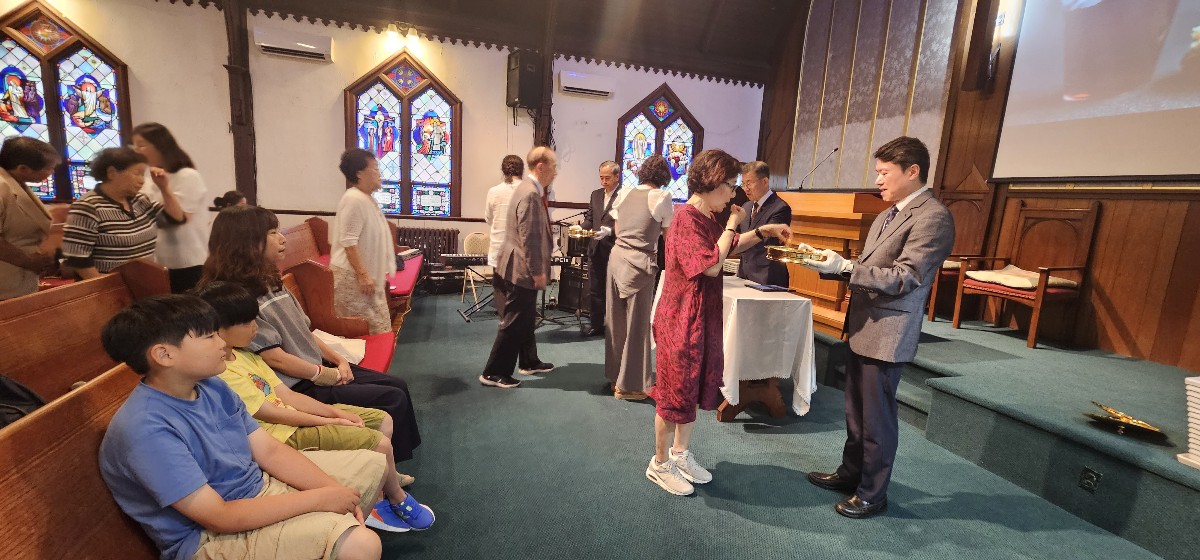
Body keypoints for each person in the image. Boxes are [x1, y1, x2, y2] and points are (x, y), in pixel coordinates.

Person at [96, 294, 419, 560]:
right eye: (209, 336)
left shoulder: (212, 386)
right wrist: (319, 499)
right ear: (164, 354)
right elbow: (219, 516)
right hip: (206, 538)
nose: (222, 343)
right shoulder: (146, 429)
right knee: (362, 545)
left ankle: (332, 530)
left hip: (256, 488)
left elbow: (270, 451)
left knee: (373, 464)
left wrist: (331, 492)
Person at [798, 136, 954, 519]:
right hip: (864, 326)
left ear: (912, 171)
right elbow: (871, 267)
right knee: (856, 413)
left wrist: (846, 267)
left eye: (885, 172)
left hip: (888, 332)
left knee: (877, 419)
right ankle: (851, 474)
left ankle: (872, 493)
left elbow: (906, 277)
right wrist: (832, 265)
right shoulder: (889, 213)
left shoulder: (932, 217)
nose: (878, 180)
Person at [198, 205, 422, 463]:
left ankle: (393, 460)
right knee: (391, 397)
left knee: (397, 385)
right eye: (272, 233)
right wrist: (326, 374)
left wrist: (339, 360)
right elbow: (276, 359)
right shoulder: (238, 300)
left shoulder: (271, 282)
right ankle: (386, 464)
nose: (282, 238)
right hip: (299, 383)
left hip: (317, 367)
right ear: (247, 242)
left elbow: (306, 331)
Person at [195, 282, 429, 515]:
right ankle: (393, 499)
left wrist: (335, 412)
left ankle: (384, 481)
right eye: (247, 322)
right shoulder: (224, 373)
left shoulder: (247, 356)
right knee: (380, 443)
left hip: (294, 417)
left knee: (384, 420)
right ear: (219, 329)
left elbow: (287, 395)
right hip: (283, 435)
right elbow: (272, 413)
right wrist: (330, 421)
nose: (256, 327)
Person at [647, 149, 792, 496]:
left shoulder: (706, 216)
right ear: (711, 183)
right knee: (674, 395)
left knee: (691, 391)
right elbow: (712, 265)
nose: (733, 193)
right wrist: (731, 224)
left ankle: (680, 455)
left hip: (701, 317)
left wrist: (763, 231)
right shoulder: (685, 219)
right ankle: (660, 463)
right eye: (729, 185)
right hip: (681, 320)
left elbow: (728, 246)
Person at [479, 146, 557, 389]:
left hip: (514, 262)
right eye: (554, 166)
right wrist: (537, 271)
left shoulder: (526, 187)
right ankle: (493, 372)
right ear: (541, 166)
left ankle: (529, 361)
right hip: (521, 266)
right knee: (514, 320)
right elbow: (529, 237)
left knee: (525, 317)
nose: (556, 171)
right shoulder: (530, 193)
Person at [605, 155, 673, 400]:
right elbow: (669, 237)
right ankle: (630, 386)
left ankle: (616, 377)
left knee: (615, 320)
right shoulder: (662, 197)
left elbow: (617, 230)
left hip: (616, 258)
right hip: (640, 264)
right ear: (663, 176)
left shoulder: (623, 193)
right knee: (637, 325)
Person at [62, 147, 185, 279]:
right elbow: (77, 258)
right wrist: (106, 287)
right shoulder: (87, 206)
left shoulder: (140, 200)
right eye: (137, 173)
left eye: (143, 174)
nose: (142, 180)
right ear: (112, 173)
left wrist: (164, 188)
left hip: (145, 281)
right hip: (111, 285)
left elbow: (176, 218)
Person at [132, 122, 211, 293]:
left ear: (159, 146)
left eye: (141, 145)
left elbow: (178, 219)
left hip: (187, 262)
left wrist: (164, 188)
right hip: (157, 261)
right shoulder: (148, 177)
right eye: (134, 146)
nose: (136, 151)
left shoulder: (187, 176)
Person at [331, 148, 395, 335]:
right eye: (375, 168)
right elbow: (349, 242)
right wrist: (363, 275)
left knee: (378, 329)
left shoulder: (366, 198)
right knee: (365, 333)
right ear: (359, 173)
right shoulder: (354, 199)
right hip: (354, 279)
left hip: (366, 277)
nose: (379, 173)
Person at [0, 137, 59, 300]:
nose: (52, 172)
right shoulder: (2, 186)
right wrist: (28, 261)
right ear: (23, 168)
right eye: (49, 168)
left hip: (19, 279)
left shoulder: (17, 183)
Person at [734, 161, 793, 287]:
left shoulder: (780, 208)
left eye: (749, 183)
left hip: (768, 278)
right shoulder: (746, 206)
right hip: (744, 275)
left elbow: (765, 240)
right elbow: (738, 237)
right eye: (743, 184)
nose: (745, 188)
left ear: (765, 181)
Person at [582, 161, 621, 337]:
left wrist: (610, 231)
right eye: (601, 178)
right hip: (596, 248)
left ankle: (614, 327)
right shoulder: (595, 194)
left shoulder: (624, 195)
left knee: (614, 290)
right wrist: (580, 228)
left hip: (614, 249)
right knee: (595, 289)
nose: (604, 181)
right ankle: (596, 325)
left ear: (616, 177)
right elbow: (590, 219)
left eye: (607, 178)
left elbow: (626, 224)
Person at [483, 155, 523, 267]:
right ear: (522, 170)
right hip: (521, 252)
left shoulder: (494, 191)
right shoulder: (529, 191)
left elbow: (489, 219)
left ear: (503, 171)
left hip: (498, 251)